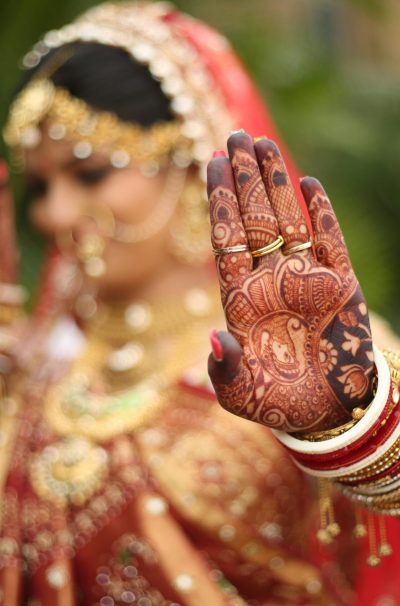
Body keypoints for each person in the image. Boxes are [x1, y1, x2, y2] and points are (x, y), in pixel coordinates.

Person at [0, 2, 399, 604]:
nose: (54, 214)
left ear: (191, 169)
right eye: (40, 186)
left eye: (89, 174)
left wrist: (341, 430)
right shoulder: (35, 368)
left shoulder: (301, 355)